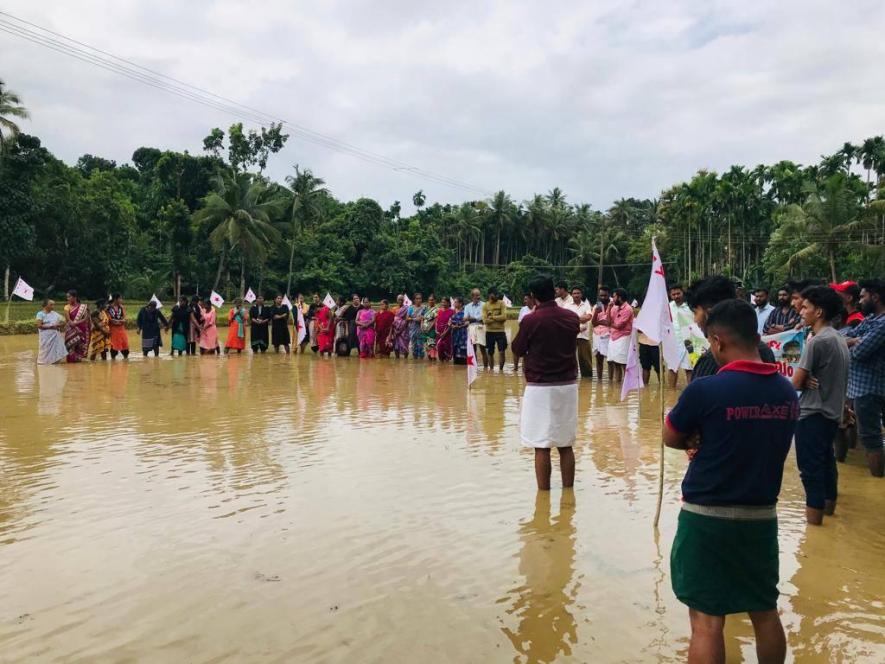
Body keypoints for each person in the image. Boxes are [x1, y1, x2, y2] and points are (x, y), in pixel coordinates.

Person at [664, 299, 798, 664]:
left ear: (719, 341)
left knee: (706, 622)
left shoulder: (705, 390)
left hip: (706, 517)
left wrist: (695, 438)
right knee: (764, 610)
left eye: (710, 343)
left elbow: (671, 436)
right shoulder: (786, 393)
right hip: (761, 517)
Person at [511, 275, 580, 491]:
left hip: (539, 387)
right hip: (568, 385)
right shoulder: (571, 317)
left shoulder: (530, 320)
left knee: (541, 445)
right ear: (553, 291)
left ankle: (543, 495)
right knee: (565, 444)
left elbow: (517, 349)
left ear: (532, 297)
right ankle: (568, 492)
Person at [791, 286, 850, 525]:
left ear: (819, 312)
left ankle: (814, 527)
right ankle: (828, 515)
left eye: (806, 307)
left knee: (810, 471)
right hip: (831, 414)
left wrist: (803, 382)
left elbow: (794, 382)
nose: (801, 311)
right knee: (826, 463)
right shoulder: (839, 339)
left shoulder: (817, 342)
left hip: (812, 413)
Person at [687, 276, 777, 379]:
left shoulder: (711, 361)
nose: (695, 320)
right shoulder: (765, 351)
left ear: (709, 313)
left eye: (695, 313)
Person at [842, 278, 885, 477]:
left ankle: (877, 483)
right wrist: (851, 341)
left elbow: (859, 352)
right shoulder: (870, 320)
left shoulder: (882, 324)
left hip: (870, 388)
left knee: (871, 438)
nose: (859, 301)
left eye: (862, 297)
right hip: (859, 388)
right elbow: (845, 336)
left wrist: (849, 344)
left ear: (875, 297)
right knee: (865, 434)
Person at [605, 288, 633, 383]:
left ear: (619, 297)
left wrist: (610, 324)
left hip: (623, 338)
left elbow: (619, 326)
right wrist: (608, 308)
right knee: (615, 362)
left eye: (614, 296)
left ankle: (627, 385)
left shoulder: (628, 309)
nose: (612, 298)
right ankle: (617, 386)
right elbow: (608, 321)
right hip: (613, 337)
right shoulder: (614, 308)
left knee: (623, 363)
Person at [669, 284, 694, 386]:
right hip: (673, 341)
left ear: (682, 293)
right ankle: (671, 394)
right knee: (672, 368)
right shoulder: (669, 307)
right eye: (673, 294)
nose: (676, 296)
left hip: (690, 341)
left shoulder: (691, 306)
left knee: (689, 369)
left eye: (678, 293)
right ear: (670, 295)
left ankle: (691, 392)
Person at [567, 286, 594, 379]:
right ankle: (571, 378)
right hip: (571, 336)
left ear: (581, 294)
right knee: (570, 359)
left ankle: (587, 381)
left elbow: (588, 317)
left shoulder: (586, 305)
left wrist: (573, 319)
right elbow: (565, 320)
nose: (576, 295)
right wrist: (580, 319)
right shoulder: (567, 306)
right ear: (571, 295)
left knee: (586, 361)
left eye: (578, 293)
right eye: (574, 293)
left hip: (584, 336)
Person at [36, 299, 68, 365]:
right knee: (44, 351)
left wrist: (58, 325)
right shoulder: (40, 314)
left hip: (55, 336)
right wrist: (51, 326)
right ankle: (43, 363)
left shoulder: (55, 314)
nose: (53, 306)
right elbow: (39, 325)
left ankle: (55, 363)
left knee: (56, 351)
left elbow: (64, 322)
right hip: (45, 338)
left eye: (53, 305)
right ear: (45, 305)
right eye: (51, 305)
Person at [483, 288, 508, 371]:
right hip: (489, 332)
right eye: (494, 294)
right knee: (490, 353)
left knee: (502, 352)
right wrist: (498, 318)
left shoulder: (502, 303)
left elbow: (504, 317)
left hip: (500, 332)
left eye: (497, 294)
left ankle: (501, 370)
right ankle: (491, 370)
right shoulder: (485, 305)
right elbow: (485, 320)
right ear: (490, 295)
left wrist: (492, 317)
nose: (497, 296)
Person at [591, 285, 612, 382]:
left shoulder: (614, 305)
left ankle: (611, 381)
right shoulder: (596, 306)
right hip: (597, 335)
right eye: (601, 296)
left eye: (605, 295)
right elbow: (594, 323)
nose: (603, 297)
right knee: (599, 359)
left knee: (610, 360)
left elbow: (609, 322)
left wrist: (603, 322)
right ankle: (599, 381)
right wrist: (596, 313)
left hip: (610, 336)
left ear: (609, 295)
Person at [64, 290, 91, 363]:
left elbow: (86, 319)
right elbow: (68, 320)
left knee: (81, 348)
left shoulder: (83, 307)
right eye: (67, 297)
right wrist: (74, 324)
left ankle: (79, 369)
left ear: (74, 297)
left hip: (82, 330)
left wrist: (75, 323)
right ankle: (71, 366)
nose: (68, 299)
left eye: (69, 297)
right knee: (71, 348)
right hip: (71, 331)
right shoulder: (67, 307)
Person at [464, 289, 488, 368]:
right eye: (476, 295)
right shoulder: (467, 306)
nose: (478, 297)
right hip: (471, 329)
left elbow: (483, 318)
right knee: (473, 350)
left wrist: (472, 319)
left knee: (483, 349)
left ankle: (485, 368)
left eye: (479, 295)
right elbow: (465, 318)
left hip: (481, 328)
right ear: (472, 296)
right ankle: (474, 368)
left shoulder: (484, 305)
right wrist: (475, 319)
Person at [515, 294, 536, 372]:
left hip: (535, 335)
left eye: (526, 299)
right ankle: (517, 370)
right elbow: (520, 322)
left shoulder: (537, 308)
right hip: (524, 333)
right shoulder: (523, 309)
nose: (524, 301)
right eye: (524, 299)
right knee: (523, 354)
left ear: (531, 299)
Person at [107, 294, 130, 360]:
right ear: (115, 299)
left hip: (121, 329)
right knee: (114, 346)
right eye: (120, 299)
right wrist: (116, 321)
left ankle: (125, 360)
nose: (121, 300)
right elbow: (109, 319)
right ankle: (113, 360)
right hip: (113, 329)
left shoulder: (121, 307)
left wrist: (120, 321)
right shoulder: (108, 308)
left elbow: (124, 318)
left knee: (125, 345)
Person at [408, 293, 428, 359]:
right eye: (417, 298)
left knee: (421, 347)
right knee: (414, 348)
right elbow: (407, 318)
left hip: (421, 330)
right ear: (414, 300)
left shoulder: (424, 308)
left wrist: (422, 318)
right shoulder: (411, 308)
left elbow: (427, 318)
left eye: (420, 298)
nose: (418, 300)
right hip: (413, 330)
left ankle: (421, 364)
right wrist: (414, 319)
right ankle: (415, 362)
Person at [450, 297, 469, 365]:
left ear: (460, 304)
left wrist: (459, 326)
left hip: (463, 334)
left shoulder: (465, 312)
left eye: (455, 302)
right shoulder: (453, 311)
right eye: (454, 302)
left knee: (462, 351)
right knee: (455, 350)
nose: (454, 303)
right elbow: (450, 322)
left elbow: (467, 323)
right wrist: (451, 325)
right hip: (455, 334)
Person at [435, 297, 454, 361]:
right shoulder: (439, 311)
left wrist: (445, 333)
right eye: (442, 302)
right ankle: (441, 367)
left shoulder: (452, 311)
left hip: (447, 334)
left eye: (444, 302)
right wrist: (436, 330)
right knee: (440, 348)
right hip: (439, 333)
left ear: (448, 303)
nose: (443, 303)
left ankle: (446, 367)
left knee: (447, 349)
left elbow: (451, 324)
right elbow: (436, 321)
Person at [423, 294, 440, 361]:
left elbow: (435, 320)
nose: (431, 301)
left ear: (435, 300)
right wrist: (422, 326)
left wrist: (430, 327)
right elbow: (422, 318)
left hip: (432, 330)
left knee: (432, 345)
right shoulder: (425, 308)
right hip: (425, 329)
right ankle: (430, 361)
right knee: (427, 346)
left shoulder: (437, 309)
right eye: (429, 300)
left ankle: (433, 359)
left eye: (432, 300)